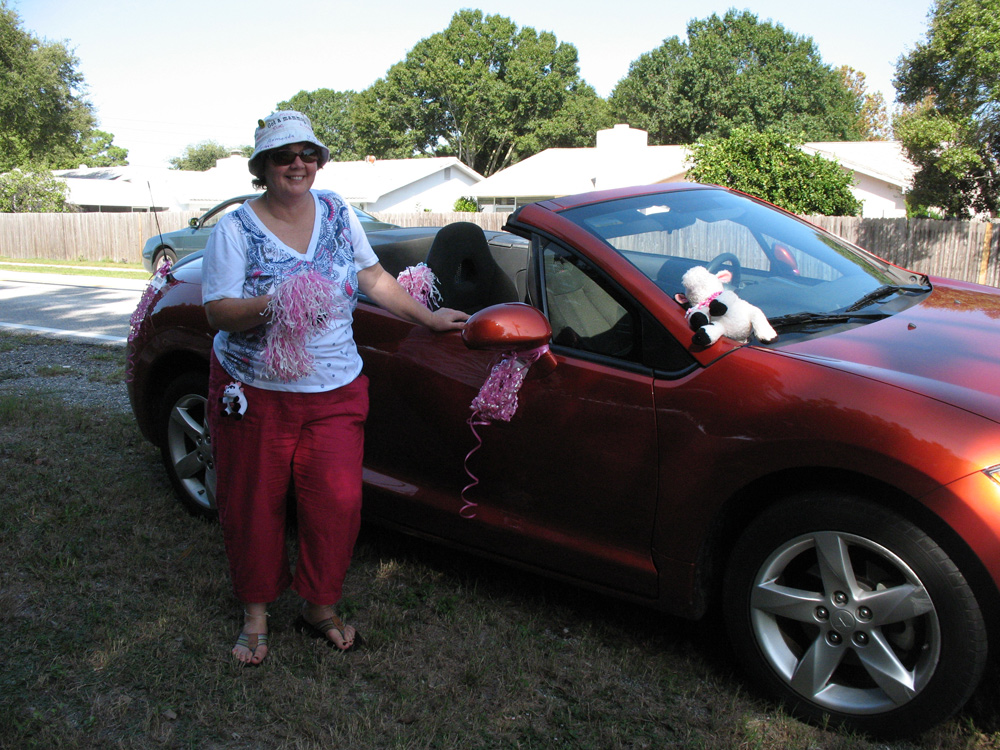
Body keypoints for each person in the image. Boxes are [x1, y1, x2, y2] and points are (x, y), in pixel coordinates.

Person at [202, 111, 467, 664]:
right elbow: (218, 313)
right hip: (256, 390)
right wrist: (276, 302)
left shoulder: (339, 212)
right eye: (283, 155)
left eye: (308, 153)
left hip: (335, 388)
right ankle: (255, 614)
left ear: (319, 162)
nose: (297, 163)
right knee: (253, 504)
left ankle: (318, 604)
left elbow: (371, 278)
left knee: (338, 504)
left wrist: (429, 317)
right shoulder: (235, 228)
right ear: (263, 167)